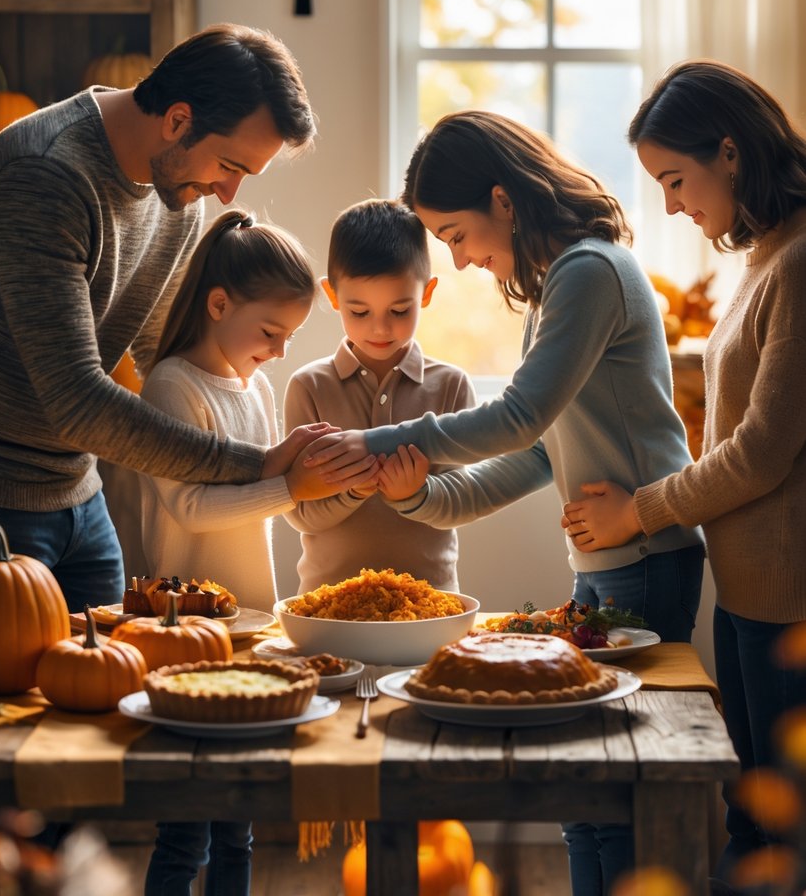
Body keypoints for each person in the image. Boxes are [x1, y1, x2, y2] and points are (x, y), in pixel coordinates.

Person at [303, 110, 706, 895]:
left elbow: (519, 416)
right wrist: (419, 495)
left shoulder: (590, 271)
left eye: (454, 234)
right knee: (583, 797)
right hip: (605, 564)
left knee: (611, 794)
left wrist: (377, 443)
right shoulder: (561, 285)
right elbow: (533, 455)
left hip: (646, 558)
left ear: (503, 200)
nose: (455, 257)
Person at [0, 23, 368, 612]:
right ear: (178, 120)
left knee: (105, 686)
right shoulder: (47, 176)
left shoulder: (176, 196)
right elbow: (77, 401)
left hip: (81, 497)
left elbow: (172, 354)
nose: (229, 193)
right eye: (229, 165)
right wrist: (258, 466)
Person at [560, 60, 806, 889]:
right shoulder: (767, 256)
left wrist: (644, 511)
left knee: (775, 831)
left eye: (675, 179)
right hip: (750, 591)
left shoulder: (799, 263)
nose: (670, 205)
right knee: (749, 812)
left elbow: (762, 449)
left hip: (787, 599)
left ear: (729, 153)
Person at [132, 208, 328, 896]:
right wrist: (286, 485)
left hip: (250, 625)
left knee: (240, 816)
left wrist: (314, 483)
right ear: (219, 304)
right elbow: (189, 506)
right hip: (188, 635)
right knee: (186, 822)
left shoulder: (259, 385)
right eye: (269, 332)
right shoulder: (171, 386)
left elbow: (268, 487)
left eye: (288, 337)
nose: (277, 352)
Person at [283, 197, 476, 592]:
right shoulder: (309, 387)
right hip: (328, 607)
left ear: (426, 293)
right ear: (332, 296)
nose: (380, 329)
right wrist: (351, 490)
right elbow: (300, 513)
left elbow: (465, 501)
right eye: (359, 312)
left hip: (430, 606)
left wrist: (415, 494)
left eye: (400, 311)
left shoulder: (452, 386)